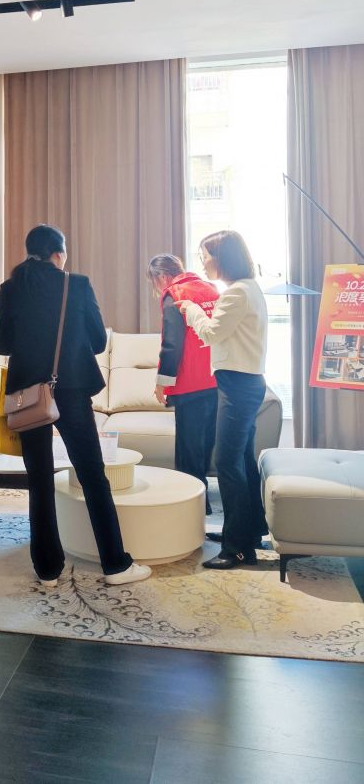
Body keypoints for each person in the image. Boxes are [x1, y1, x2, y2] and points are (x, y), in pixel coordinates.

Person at [0, 224, 151, 588]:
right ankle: (115, 564)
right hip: (72, 389)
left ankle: (47, 569)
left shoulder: (11, 287)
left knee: (39, 480)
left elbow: (2, 345)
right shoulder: (76, 284)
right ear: (58, 254)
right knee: (93, 475)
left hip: (28, 396)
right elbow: (98, 341)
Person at [175, 230, 268, 570]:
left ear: (222, 258)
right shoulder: (248, 289)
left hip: (238, 386)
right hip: (244, 383)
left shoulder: (237, 293)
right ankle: (249, 532)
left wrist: (191, 309)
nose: (203, 264)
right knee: (241, 460)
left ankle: (238, 549)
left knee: (227, 462)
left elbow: (212, 333)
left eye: (205, 257)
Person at [148, 253, 219, 514]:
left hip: (190, 383)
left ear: (161, 276)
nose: (157, 288)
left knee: (188, 447)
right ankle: (203, 500)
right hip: (217, 379)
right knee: (205, 442)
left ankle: (193, 505)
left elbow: (172, 344)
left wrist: (162, 383)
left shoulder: (174, 294)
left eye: (155, 281)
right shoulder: (211, 289)